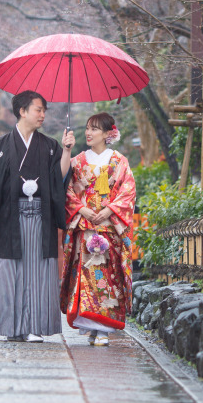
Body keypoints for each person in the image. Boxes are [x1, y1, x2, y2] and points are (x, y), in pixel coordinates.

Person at [0, 90, 75, 343]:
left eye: (44, 110)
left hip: (40, 218)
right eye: (38, 109)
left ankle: (34, 327)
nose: (42, 115)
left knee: (38, 271)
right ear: (22, 111)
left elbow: (58, 179)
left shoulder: (51, 146)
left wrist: (66, 151)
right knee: (12, 271)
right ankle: (12, 326)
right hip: (10, 218)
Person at [60, 112, 136, 346]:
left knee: (109, 276)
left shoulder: (119, 161)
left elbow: (128, 191)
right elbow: (67, 189)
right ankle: (90, 326)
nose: (88, 133)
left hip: (109, 226)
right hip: (85, 224)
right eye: (87, 128)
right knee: (86, 275)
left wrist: (110, 210)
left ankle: (103, 327)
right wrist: (82, 209)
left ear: (107, 133)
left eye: (94, 129)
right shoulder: (78, 160)